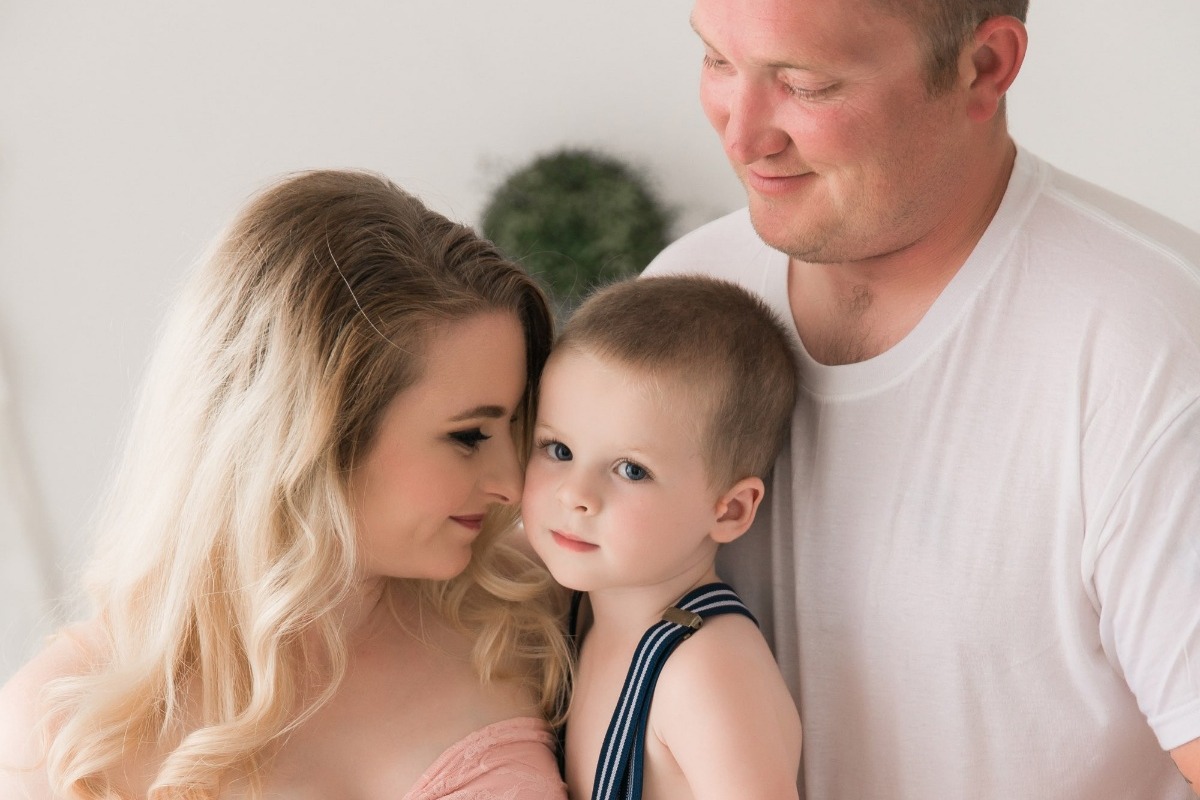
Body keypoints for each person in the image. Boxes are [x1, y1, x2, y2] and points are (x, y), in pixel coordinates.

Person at [643, 0, 1200, 797]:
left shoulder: (1154, 346)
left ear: (985, 67)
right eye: (718, 62)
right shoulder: (686, 295)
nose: (742, 136)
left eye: (806, 84)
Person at [0, 170, 571, 799]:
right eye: (468, 436)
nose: (512, 486)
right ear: (312, 437)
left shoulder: (533, 606)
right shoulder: (64, 725)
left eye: (515, 426)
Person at [521, 275, 803, 800]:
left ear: (731, 509)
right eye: (558, 450)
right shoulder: (577, 610)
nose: (575, 495)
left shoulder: (706, 671)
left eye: (631, 470)